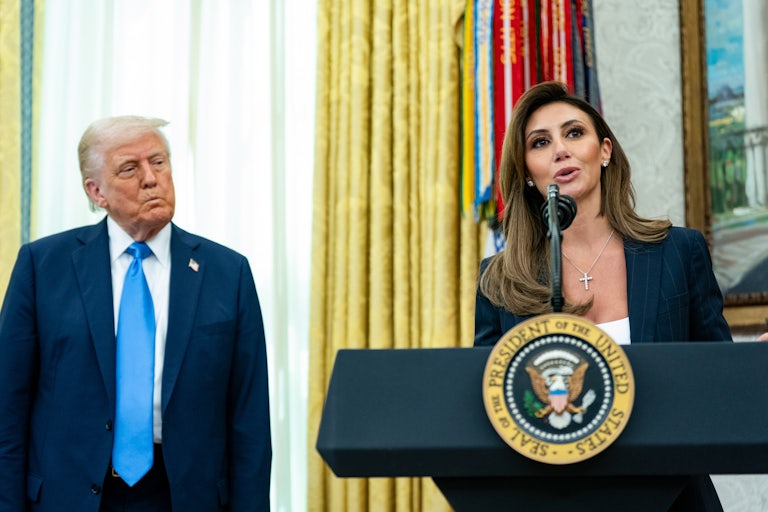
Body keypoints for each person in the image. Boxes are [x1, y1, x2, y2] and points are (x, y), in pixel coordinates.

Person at [474, 81, 729, 511]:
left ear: (605, 151)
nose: (560, 150)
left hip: (675, 497)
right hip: (553, 500)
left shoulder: (678, 251)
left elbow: (718, 375)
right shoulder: (500, 280)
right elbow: (487, 406)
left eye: (574, 133)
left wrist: (754, 365)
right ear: (528, 173)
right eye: (540, 142)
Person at [0, 116, 271, 511]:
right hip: (70, 494)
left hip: (183, 495)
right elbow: (8, 409)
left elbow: (251, 422)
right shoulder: (42, 267)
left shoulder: (228, 273)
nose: (150, 178)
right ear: (96, 191)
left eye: (158, 162)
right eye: (129, 168)